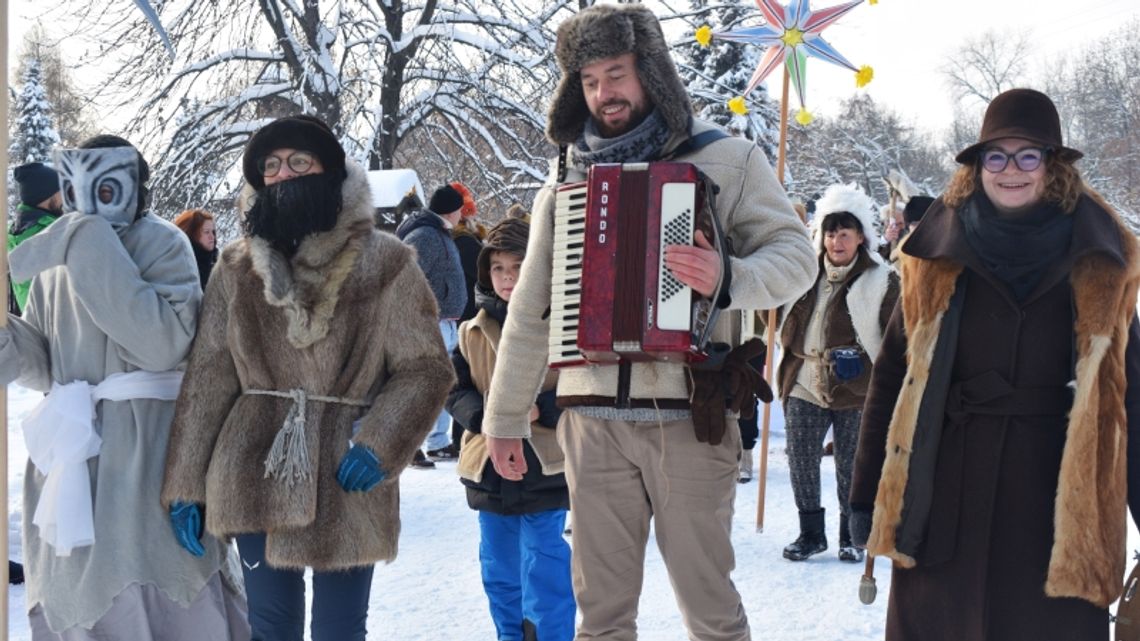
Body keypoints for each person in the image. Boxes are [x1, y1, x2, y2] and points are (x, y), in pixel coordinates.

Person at [481, 5, 817, 639]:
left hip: (691, 415)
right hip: (590, 421)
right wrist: (502, 419)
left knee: (709, 608)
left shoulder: (729, 159)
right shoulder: (563, 182)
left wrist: (728, 279)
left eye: (616, 74)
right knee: (601, 617)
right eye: (588, 81)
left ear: (651, 74)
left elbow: (796, 258)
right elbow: (529, 311)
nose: (603, 93)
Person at [849, 88, 1140, 640]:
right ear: (978, 166)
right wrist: (867, 494)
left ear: (1053, 166)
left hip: (1055, 497)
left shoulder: (1101, 262)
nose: (1012, 170)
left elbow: (1130, 395)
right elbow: (892, 377)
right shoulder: (933, 257)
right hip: (945, 486)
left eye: (1028, 155)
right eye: (997, 156)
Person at [161, 114, 455, 641]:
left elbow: (426, 369)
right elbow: (209, 377)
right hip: (253, 462)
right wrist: (186, 483)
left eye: (299, 161)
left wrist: (380, 443)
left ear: (329, 171)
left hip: (347, 465)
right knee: (271, 627)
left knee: (341, 629)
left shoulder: (386, 262)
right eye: (270, 166)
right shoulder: (235, 267)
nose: (283, 174)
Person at [0, 135, 248, 639]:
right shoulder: (55, 254)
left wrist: (91, 244)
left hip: (148, 450)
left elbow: (160, 346)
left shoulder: (161, 241)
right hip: (73, 453)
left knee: (161, 592)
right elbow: (43, 364)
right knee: (84, 601)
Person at [446, 216, 575, 641]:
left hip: (545, 465)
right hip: (488, 468)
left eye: (518, 266)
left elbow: (583, 388)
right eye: (499, 268)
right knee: (499, 571)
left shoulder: (562, 328)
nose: (508, 277)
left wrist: (542, 409)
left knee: (545, 569)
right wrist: (487, 418)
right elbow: (454, 388)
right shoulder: (472, 330)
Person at [762, 183, 899, 563]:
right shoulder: (802, 273)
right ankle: (811, 533)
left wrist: (861, 356)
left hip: (857, 388)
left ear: (860, 238)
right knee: (802, 458)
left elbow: (895, 335)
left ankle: (848, 535)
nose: (836, 241)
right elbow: (774, 315)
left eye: (845, 234)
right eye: (830, 233)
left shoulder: (882, 280)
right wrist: (771, 292)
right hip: (805, 379)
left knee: (851, 465)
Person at [397, 183, 469, 466]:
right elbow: (405, 278)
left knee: (442, 385)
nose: (462, 215)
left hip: (444, 322)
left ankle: (438, 443)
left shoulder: (437, 231)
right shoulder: (425, 235)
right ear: (451, 211)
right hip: (428, 323)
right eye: (460, 210)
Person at [7, 162, 64, 315]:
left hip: (31, 329)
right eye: (60, 191)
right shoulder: (49, 234)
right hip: (53, 330)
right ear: (47, 196)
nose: (63, 198)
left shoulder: (13, 232)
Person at [173, 208, 218, 289]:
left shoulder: (218, 263)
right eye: (206, 232)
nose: (212, 237)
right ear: (193, 234)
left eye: (213, 232)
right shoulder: (182, 266)